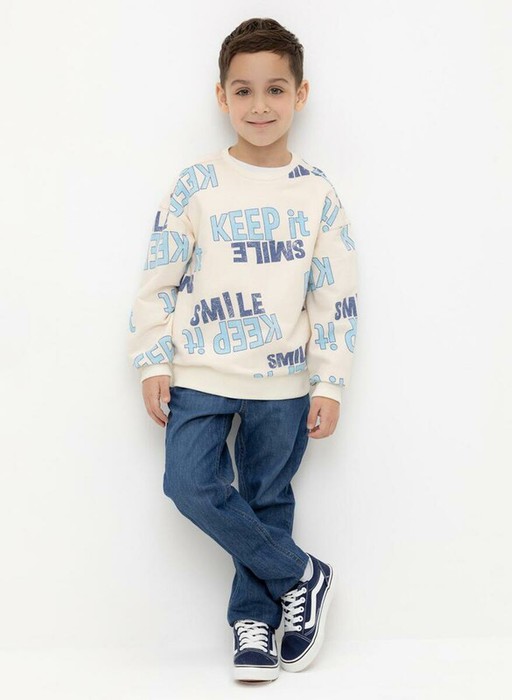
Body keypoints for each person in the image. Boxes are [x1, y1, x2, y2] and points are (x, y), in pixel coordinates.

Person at [127, 17, 359, 683]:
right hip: (200, 371)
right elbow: (157, 279)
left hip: (284, 380)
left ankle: (253, 624)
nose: (260, 106)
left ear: (300, 94)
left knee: (266, 498)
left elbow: (334, 292)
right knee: (188, 483)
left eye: (276, 89)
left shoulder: (316, 193)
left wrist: (330, 381)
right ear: (222, 96)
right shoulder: (196, 184)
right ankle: (301, 574)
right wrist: (152, 359)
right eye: (244, 90)